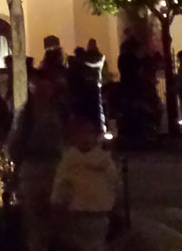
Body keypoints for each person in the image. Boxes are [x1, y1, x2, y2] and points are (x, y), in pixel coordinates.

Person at [8, 70, 67, 251]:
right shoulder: (26, 115)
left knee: (52, 221)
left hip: (53, 168)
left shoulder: (59, 111)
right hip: (34, 169)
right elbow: (14, 144)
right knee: (36, 222)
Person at [50, 112, 122, 251]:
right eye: (80, 133)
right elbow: (61, 183)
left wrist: (115, 202)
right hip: (77, 212)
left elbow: (114, 182)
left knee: (94, 244)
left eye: (89, 133)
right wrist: (58, 202)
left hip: (99, 212)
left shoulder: (103, 161)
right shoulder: (70, 161)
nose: (85, 138)